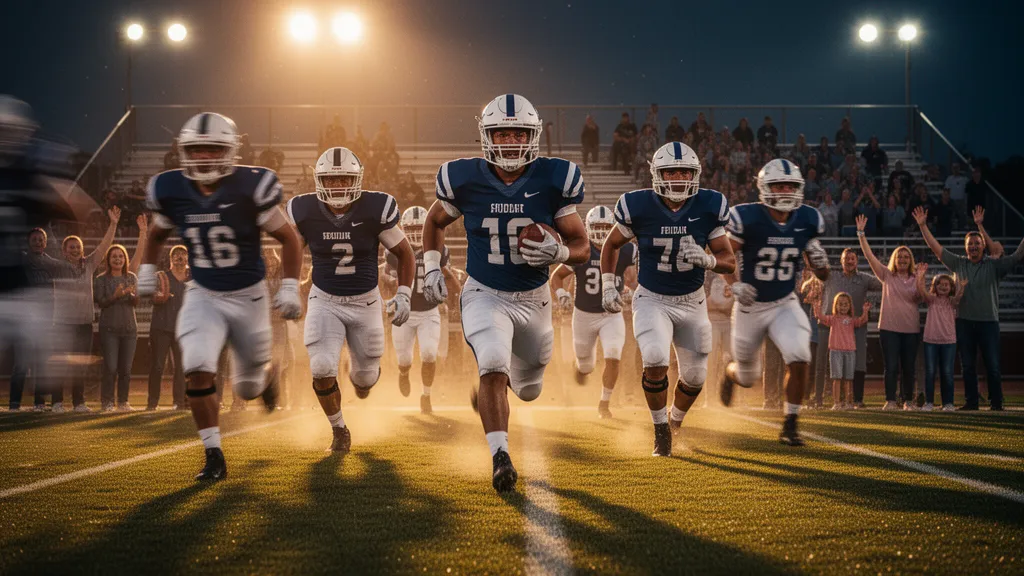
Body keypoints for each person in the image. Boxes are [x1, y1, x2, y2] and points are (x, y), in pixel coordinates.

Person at [422, 93, 589, 492]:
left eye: (518, 133)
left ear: (532, 136)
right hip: (485, 292)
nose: (511, 142)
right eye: (502, 133)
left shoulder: (554, 178)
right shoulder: (465, 178)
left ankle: (494, 387)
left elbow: (583, 246)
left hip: (535, 298)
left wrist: (560, 251)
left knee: (529, 390)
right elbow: (433, 220)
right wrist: (431, 266)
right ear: (487, 136)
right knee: (493, 362)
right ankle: (500, 457)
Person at [138, 112, 304, 481]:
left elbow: (289, 238)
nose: (204, 158)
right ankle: (213, 454)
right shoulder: (172, 189)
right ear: (184, 153)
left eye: (213, 150)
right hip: (204, 294)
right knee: (196, 366)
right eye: (196, 151)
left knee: (246, 387)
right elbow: (155, 234)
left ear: (229, 152)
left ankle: (267, 379)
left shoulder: (251, 185)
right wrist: (148, 270)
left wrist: (291, 285)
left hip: (249, 296)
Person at [602, 142, 736, 456]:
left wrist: (708, 262)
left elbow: (728, 259)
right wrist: (609, 285)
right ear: (657, 174)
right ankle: (660, 430)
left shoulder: (708, 205)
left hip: (692, 301)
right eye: (671, 171)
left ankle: (675, 422)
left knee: (694, 377)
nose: (678, 177)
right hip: (652, 298)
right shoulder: (637, 205)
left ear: (695, 174)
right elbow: (610, 245)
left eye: (684, 171)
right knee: (654, 358)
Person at [287, 147, 414, 444]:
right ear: (319, 182)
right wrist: (289, 286)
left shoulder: (374, 208)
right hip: (325, 300)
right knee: (321, 367)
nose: (338, 186)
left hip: (365, 301)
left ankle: (359, 378)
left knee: (365, 378)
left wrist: (404, 293)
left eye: (344, 179)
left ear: (356, 179)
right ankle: (339, 429)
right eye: (331, 180)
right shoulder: (304, 211)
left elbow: (404, 253)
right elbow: (290, 251)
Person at [720, 159, 830, 446]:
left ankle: (790, 424)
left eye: (790, 185)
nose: (785, 190)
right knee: (748, 377)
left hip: (784, 301)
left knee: (799, 355)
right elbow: (725, 257)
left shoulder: (807, 219)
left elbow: (824, 274)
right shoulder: (748, 217)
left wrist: (820, 263)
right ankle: (730, 373)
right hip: (750, 304)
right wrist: (736, 285)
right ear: (764, 188)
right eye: (779, 185)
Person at [913, 206, 1024, 410]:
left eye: (977, 243)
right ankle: (971, 402)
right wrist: (922, 226)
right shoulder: (959, 263)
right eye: (970, 244)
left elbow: (1017, 256)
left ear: (983, 246)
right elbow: (935, 248)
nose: (973, 247)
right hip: (964, 322)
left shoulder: (993, 265)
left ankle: (996, 403)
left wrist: (981, 226)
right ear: (965, 248)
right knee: (968, 366)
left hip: (989, 322)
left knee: (993, 366)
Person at [551, 205, 636, 418]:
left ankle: (604, 404)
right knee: (586, 366)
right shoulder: (583, 250)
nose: (600, 231)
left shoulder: (625, 249)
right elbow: (556, 277)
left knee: (613, 355)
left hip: (611, 314)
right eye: (597, 226)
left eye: (605, 227)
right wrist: (562, 294)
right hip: (584, 315)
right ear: (588, 227)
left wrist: (632, 291)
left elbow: (644, 274)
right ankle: (581, 369)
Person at [384, 206, 455, 413]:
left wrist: (451, 299)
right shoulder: (394, 250)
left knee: (429, 353)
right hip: (404, 312)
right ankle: (404, 373)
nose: (415, 232)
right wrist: (389, 281)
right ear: (403, 229)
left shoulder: (440, 249)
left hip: (429, 311)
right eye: (411, 227)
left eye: (419, 227)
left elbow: (447, 276)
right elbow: (384, 275)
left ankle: (426, 395)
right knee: (404, 359)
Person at [855, 214, 921, 410]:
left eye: (906, 256)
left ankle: (908, 400)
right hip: (889, 328)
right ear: (894, 259)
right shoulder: (886, 274)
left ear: (910, 260)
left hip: (911, 329)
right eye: (899, 256)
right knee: (891, 367)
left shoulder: (917, 276)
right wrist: (861, 234)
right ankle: (891, 400)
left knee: (908, 368)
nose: (902, 259)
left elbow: (922, 296)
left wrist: (922, 279)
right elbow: (869, 256)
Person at [805, 248, 881, 408]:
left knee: (858, 363)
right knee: (821, 364)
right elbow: (812, 283)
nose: (849, 261)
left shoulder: (865, 279)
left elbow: (884, 282)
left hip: (856, 326)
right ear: (841, 261)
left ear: (857, 260)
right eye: (846, 258)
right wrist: (810, 288)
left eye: (852, 258)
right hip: (828, 324)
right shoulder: (831, 276)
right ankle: (818, 399)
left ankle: (856, 400)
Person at [93, 245, 139, 411]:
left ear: (125, 259)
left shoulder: (131, 277)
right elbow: (101, 302)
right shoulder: (101, 279)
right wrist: (115, 296)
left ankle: (123, 402)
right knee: (111, 368)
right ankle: (107, 402)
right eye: (114, 257)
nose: (118, 259)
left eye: (121, 256)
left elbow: (136, 302)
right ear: (108, 260)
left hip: (129, 330)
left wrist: (131, 295)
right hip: (109, 330)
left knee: (125, 369)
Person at [147, 245, 189, 410]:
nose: (179, 257)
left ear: (187, 259)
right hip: (161, 328)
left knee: (181, 367)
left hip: (183, 329)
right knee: (157, 366)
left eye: (183, 255)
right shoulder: (161, 277)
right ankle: (152, 403)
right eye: (176, 255)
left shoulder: (193, 279)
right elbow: (150, 297)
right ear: (170, 259)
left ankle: (179, 402)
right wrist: (157, 296)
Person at [916, 268, 965, 411]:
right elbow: (922, 291)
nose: (943, 287)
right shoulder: (932, 299)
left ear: (951, 287)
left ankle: (948, 403)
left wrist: (961, 286)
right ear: (935, 286)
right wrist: (921, 276)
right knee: (930, 371)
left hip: (949, 341)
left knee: (947, 372)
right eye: (940, 284)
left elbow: (958, 297)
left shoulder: (951, 302)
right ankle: (929, 402)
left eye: (946, 285)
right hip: (930, 340)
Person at [813, 294, 870, 410]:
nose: (843, 307)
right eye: (840, 304)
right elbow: (821, 317)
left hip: (850, 351)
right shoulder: (832, 319)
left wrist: (865, 311)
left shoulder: (851, 320)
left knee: (849, 379)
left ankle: (849, 402)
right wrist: (817, 307)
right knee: (837, 378)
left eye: (845, 304)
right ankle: (837, 402)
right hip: (835, 351)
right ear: (835, 305)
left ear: (850, 306)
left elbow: (862, 321)